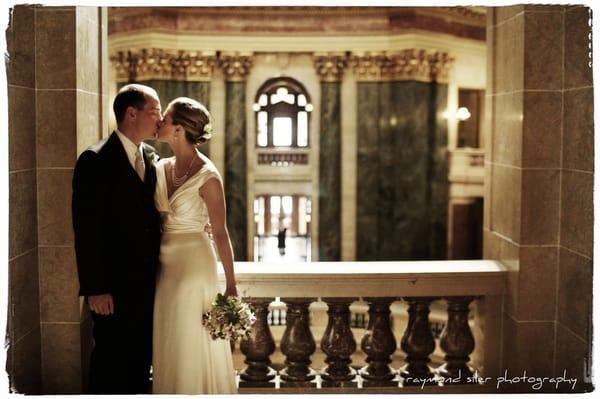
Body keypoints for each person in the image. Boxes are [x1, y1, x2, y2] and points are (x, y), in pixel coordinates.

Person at [72, 84, 163, 394]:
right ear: (131, 113)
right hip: (113, 289)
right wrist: (96, 288)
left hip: (149, 284)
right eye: (155, 112)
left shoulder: (150, 155)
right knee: (111, 361)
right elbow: (86, 229)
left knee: (141, 360)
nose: (160, 120)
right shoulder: (94, 160)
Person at [152, 97, 238, 394]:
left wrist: (231, 284)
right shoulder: (159, 166)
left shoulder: (208, 176)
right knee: (169, 339)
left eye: (164, 118)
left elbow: (221, 232)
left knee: (191, 339)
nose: (158, 122)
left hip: (195, 264)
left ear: (178, 129)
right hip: (165, 264)